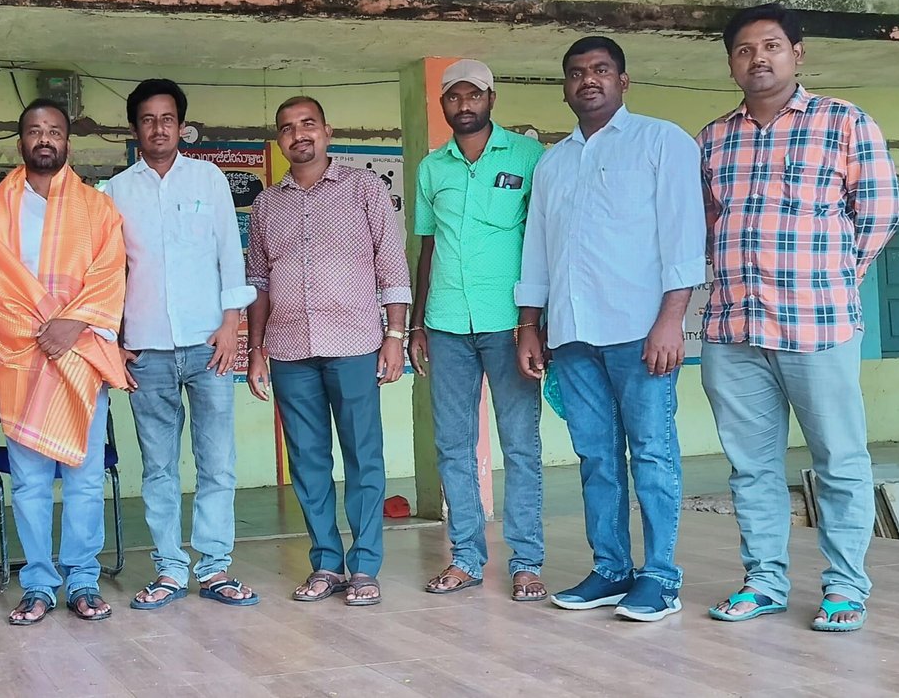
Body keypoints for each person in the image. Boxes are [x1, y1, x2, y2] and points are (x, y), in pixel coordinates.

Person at [697, 4, 899, 632]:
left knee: (838, 460)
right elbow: (705, 224)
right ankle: (764, 582)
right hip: (734, 328)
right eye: (744, 50)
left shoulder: (843, 122)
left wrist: (835, 277)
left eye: (771, 46)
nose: (758, 58)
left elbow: (880, 211)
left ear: (797, 53)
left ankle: (844, 587)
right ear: (731, 63)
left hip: (818, 326)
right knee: (750, 466)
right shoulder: (713, 138)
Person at [515, 37, 706, 622]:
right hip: (573, 334)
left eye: (601, 70)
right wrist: (530, 324)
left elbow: (683, 236)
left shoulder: (662, 141)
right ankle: (612, 569)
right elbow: (537, 250)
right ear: (565, 88)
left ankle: (661, 578)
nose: (588, 80)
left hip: (641, 331)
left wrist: (671, 320)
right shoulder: (552, 163)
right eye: (576, 73)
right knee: (596, 457)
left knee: (651, 452)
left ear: (624, 81)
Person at [246, 96, 410, 608]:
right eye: (287, 128)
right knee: (307, 461)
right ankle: (326, 563)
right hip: (289, 348)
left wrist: (396, 335)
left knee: (364, 456)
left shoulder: (364, 189)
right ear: (279, 140)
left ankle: (364, 566)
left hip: (355, 343)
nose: (299, 135)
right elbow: (259, 283)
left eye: (308, 124)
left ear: (327, 131)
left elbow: (392, 265)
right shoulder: (266, 204)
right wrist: (256, 349)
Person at [103, 79, 259, 611]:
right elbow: (109, 272)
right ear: (135, 129)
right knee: (159, 468)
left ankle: (214, 568)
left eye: (167, 118)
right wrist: (115, 338)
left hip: (208, 343)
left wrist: (232, 323)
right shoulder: (115, 191)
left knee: (217, 463)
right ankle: (170, 568)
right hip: (146, 349)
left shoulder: (209, 179)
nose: (158, 128)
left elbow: (229, 252)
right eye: (148, 119)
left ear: (181, 126)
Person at [0, 98, 129, 625]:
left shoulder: (97, 208)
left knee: (84, 479)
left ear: (67, 141)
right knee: (30, 482)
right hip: (23, 358)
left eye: (54, 131)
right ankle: (38, 583)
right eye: (35, 131)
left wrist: (73, 325)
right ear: (20, 141)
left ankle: (83, 579)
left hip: (81, 356)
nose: (45, 139)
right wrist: (48, 330)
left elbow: (109, 275)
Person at [408, 60, 548, 602]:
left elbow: (542, 242)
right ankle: (465, 557)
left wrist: (536, 321)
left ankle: (527, 562)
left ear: (492, 98)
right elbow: (427, 247)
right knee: (452, 445)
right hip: (446, 323)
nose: (463, 105)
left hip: (510, 323)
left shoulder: (529, 157)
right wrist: (417, 323)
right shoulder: (431, 168)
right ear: (442, 104)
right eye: (453, 97)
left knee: (520, 445)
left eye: (473, 95)